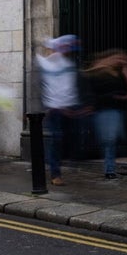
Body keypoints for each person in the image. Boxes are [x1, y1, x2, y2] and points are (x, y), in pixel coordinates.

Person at [80, 49, 127, 180]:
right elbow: (92, 93)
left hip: (116, 111)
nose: (123, 62)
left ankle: (109, 167)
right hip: (103, 112)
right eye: (121, 59)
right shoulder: (96, 73)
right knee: (109, 141)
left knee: (113, 140)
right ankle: (109, 169)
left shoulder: (118, 74)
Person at [36, 35, 81, 186]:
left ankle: (59, 165)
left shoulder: (68, 64)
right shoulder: (47, 64)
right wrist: (46, 107)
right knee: (57, 139)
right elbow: (43, 86)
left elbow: (69, 86)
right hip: (54, 108)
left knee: (65, 138)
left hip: (67, 107)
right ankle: (55, 173)